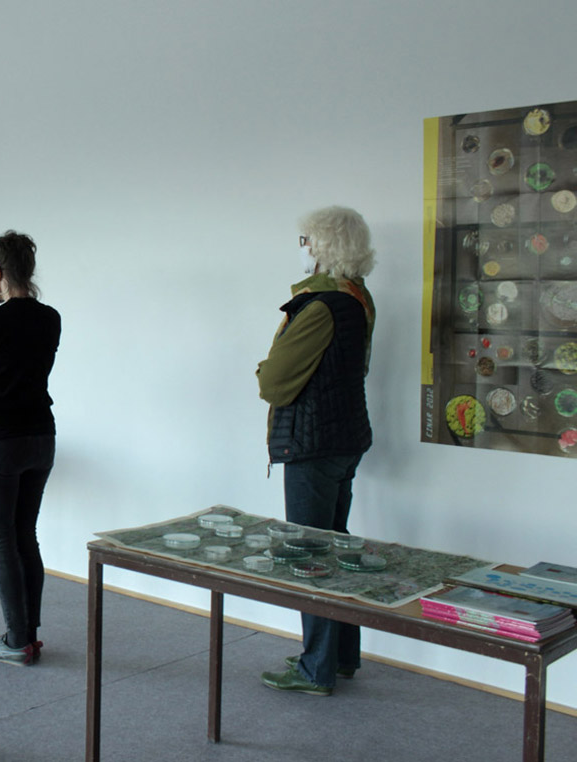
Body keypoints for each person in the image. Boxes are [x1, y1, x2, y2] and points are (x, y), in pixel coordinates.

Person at [256, 205, 376, 697]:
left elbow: (274, 383)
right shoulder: (359, 297)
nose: (303, 250)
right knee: (337, 547)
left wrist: (262, 368)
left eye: (306, 241)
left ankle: (314, 669)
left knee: (308, 555)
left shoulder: (319, 306)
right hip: (347, 436)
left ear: (324, 246)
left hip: (312, 442)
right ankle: (341, 657)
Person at [0, 231, 61, 667]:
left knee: (3, 542)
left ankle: (15, 641)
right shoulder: (51, 318)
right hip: (41, 436)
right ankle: (28, 636)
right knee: (26, 535)